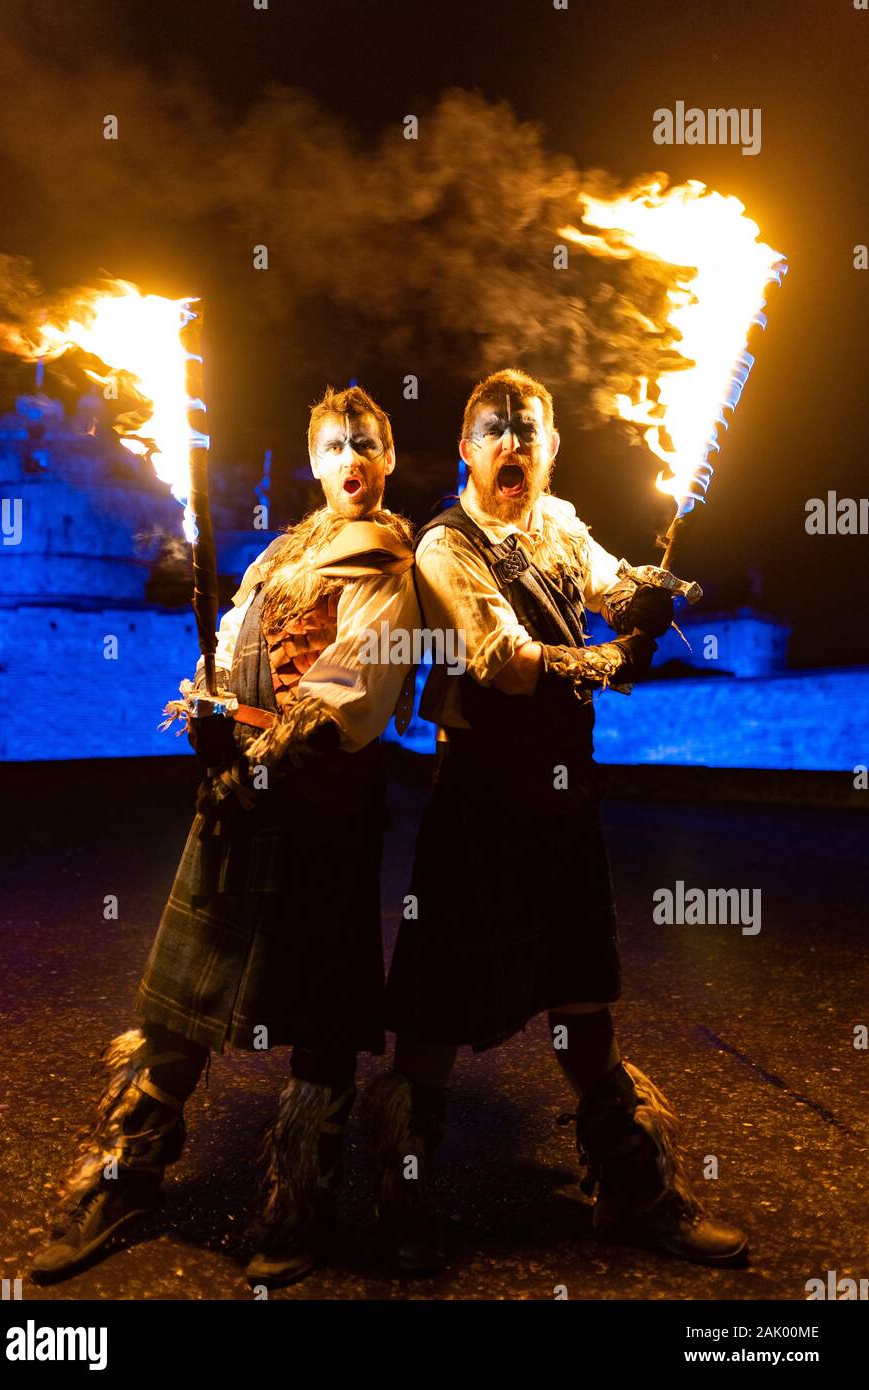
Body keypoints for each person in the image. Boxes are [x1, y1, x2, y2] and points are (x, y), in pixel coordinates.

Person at [31, 385, 419, 1287]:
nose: (351, 459)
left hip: (322, 805)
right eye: (333, 446)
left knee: (322, 1013)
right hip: (238, 797)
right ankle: (129, 1177)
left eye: (366, 444)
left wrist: (265, 741)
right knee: (179, 1006)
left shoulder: (391, 561)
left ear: (388, 459)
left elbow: (356, 689)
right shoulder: (278, 555)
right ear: (315, 460)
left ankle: (302, 1197)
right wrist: (206, 702)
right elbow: (232, 647)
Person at [367, 368, 748, 1274]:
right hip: (479, 805)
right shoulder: (444, 546)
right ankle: (404, 1197)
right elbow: (502, 659)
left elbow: (613, 585)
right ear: (467, 448)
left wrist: (650, 596)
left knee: (584, 1000)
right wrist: (613, 656)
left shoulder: (561, 523)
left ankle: (633, 1193)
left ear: (549, 447)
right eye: (495, 431)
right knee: (433, 1020)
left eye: (528, 431)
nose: (513, 445)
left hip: (563, 797)